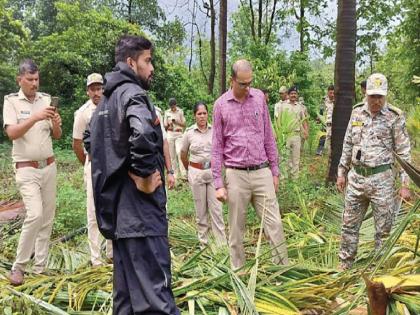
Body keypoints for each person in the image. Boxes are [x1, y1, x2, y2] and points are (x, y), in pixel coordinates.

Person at [87, 35, 179, 314]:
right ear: (131, 62)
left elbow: (91, 141)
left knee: (125, 300)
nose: (152, 68)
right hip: (141, 216)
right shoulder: (134, 95)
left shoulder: (104, 102)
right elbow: (141, 134)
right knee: (156, 298)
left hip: (119, 216)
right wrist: (144, 176)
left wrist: (118, 173)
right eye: (147, 61)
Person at [211, 59, 288, 269]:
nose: (247, 88)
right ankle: (239, 273)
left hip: (261, 170)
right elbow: (217, 145)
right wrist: (218, 183)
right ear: (232, 80)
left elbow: (268, 136)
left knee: (275, 225)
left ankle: (280, 271)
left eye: (250, 83)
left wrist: (275, 171)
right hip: (236, 174)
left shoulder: (259, 98)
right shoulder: (220, 106)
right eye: (242, 84)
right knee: (236, 229)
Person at [336, 73, 411, 270]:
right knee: (349, 227)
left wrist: (405, 184)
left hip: (382, 180)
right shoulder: (357, 113)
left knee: (383, 231)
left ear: (385, 95)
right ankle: (345, 266)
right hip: (356, 179)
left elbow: (404, 152)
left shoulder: (394, 117)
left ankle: (379, 270)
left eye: (380, 96)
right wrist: (341, 172)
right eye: (372, 96)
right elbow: (348, 143)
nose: (376, 101)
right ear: (366, 94)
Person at [3, 59, 62, 285]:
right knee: (35, 214)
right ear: (20, 79)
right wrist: (35, 117)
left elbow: (56, 135)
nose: (34, 83)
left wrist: (56, 123)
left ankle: (40, 268)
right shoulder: (11, 102)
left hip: (48, 166)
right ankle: (19, 266)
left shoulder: (46, 100)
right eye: (30, 80)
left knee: (47, 219)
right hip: (26, 169)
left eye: (37, 79)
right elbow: (12, 133)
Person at [72, 73, 113, 267]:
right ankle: (96, 258)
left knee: (112, 206)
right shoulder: (83, 113)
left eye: (99, 88)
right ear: (87, 90)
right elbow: (77, 144)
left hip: (112, 165)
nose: (96, 92)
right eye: (92, 89)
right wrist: (88, 163)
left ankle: (112, 252)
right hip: (93, 164)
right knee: (93, 210)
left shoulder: (112, 105)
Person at [180, 102, 226, 247]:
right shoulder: (189, 133)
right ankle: (203, 244)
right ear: (194, 115)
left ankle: (221, 245)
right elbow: (183, 154)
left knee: (217, 210)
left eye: (204, 113)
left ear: (208, 114)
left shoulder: (215, 131)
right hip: (196, 173)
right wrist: (190, 169)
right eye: (199, 114)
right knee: (201, 211)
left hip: (213, 174)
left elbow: (221, 151)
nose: (202, 116)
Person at [274, 86, 309, 179]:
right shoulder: (283, 106)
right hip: (286, 135)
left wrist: (306, 132)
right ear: (288, 95)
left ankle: (294, 180)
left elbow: (304, 120)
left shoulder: (300, 107)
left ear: (297, 95)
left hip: (296, 135)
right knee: (284, 159)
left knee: (295, 159)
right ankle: (283, 180)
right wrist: (278, 134)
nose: (293, 95)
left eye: (295, 94)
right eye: (292, 94)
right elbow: (278, 121)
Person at [164, 98, 187, 180]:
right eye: (171, 107)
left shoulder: (180, 111)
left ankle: (184, 174)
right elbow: (165, 126)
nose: (173, 108)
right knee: (172, 155)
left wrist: (176, 122)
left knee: (179, 152)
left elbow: (184, 124)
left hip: (178, 133)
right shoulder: (167, 112)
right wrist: (168, 124)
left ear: (176, 105)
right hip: (170, 133)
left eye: (174, 106)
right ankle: (175, 175)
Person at [316, 85, 335, 156]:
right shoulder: (324, 101)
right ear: (328, 92)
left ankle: (330, 152)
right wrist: (318, 119)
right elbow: (321, 111)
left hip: (334, 123)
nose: (332, 95)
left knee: (332, 139)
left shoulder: (337, 101)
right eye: (330, 93)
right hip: (325, 122)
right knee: (323, 137)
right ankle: (319, 151)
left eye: (333, 93)